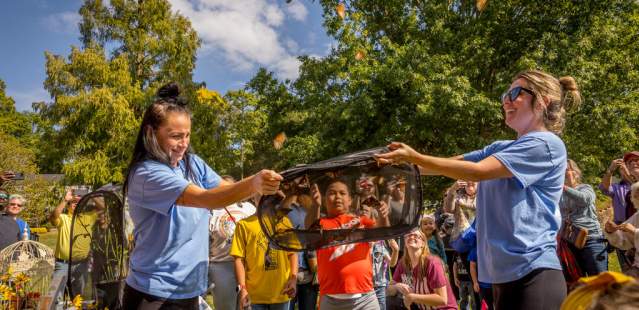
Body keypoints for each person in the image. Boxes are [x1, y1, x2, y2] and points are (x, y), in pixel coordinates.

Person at [377, 69, 582, 309]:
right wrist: (398, 168)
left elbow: (476, 172)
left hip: (534, 274)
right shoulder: (500, 147)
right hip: (500, 277)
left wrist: (416, 157)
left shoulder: (547, 145)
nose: (506, 99)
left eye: (515, 92)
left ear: (543, 101)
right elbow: (451, 165)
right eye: (505, 93)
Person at [122, 82, 282, 309]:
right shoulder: (147, 174)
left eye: (187, 135)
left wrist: (275, 183)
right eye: (176, 136)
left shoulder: (192, 164)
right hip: (154, 294)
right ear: (151, 133)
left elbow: (225, 190)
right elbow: (208, 199)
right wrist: (254, 183)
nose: (184, 144)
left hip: (188, 290)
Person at [305, 178, 390, 310]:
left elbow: (382, 234)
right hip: (330, 300)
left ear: (350, 200)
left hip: (366, 298)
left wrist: (383, 215)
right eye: (332, 193)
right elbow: (309, 233)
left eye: (342, 193)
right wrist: (315, 205)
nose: (337, 197)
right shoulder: (321, 223)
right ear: (324, 199)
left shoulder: (362, 220)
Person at [208, 175, 257, 310]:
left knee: (248, 305)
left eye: (230, 187)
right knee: (226, 306)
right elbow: (205, 241)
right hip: (221, 265)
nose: (227, 190)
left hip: (248, 265)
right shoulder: (212, 210)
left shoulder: (249, 208)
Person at [230, 214, 297, 310]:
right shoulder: (244, 224)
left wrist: (293, 279)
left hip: (282, 292)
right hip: (254, 296)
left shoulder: (284, 222)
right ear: (253, 198)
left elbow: (292, 253)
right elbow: (238, 259)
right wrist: (242, 289)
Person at [559, 159, 608, 276]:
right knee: (578, 281)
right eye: (561, 171)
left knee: (598, 280)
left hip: (591, 239)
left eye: (567, 170)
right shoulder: (559, 194)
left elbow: (585, 199)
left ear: (576, 173)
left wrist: (563, 187)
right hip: (570, 241)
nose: (564, 173)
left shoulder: (586, 188)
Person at [387, 229, 457, 310]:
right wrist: (397, 286)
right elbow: (389, 289)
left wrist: (413, 297)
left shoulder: (432, 263)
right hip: (421, 307)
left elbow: (442, 299)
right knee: (391, 301)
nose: (412, 237)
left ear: (423, 243)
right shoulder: (403, 264)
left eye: (416, 236)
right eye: (408, 235)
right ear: (405, 242)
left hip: (444, 308)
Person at [50, 189, 97, 299]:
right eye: (74, 202)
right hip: (63, 264)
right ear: (68, 206)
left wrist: (92, 195)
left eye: (79, 202)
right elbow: (53, 216)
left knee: (79, 297)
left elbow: (103, 209)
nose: (77, 204)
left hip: (82, 264)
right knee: (56, 295)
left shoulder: (88, 218)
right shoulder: (64, 218)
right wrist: (65, 200)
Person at [599, 151, 639, 272]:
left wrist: (635, 232)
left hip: (631, 230)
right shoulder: (619, 187)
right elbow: (603, 188)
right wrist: (610, 170)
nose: (633, 164)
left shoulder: (634, 186)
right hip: (623, 229)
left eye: (636, 160)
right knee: (627, 270)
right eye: (629, 162)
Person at [604, 182, 639, 277]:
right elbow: (624, 241)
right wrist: (612, 231)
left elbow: (633, 232)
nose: (637, 199)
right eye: (636, 196)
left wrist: (634, 231)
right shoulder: (637, 216)